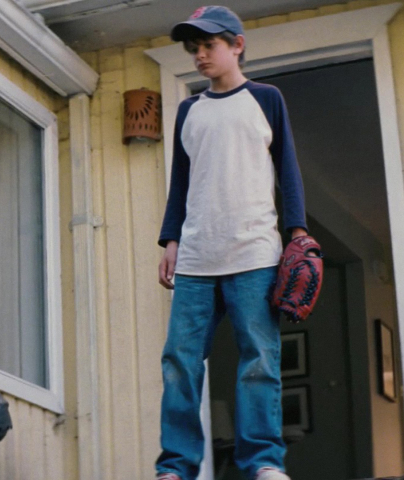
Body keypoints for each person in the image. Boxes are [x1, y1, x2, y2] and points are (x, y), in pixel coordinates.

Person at [155, 6, 308, 480]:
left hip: (255, 254)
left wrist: (298, 232)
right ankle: (176, 467)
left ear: (237, 45)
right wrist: (170, 240)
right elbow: (181, 182)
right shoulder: (189, 110)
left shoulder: (266, 99)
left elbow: (287, 169)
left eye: (209, 45)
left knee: (259, 360)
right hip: (197, 258)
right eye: (194, 49)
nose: (200, 55)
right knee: (179, 361)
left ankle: (263, 462)